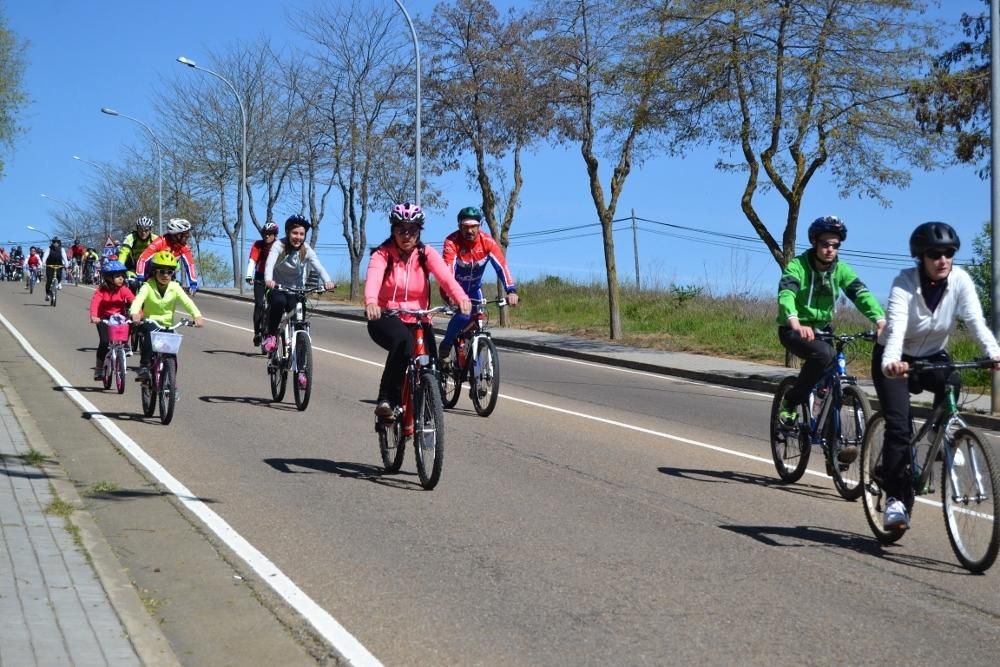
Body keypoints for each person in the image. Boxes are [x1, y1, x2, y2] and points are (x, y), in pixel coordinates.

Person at [873, 222, 1000, 532]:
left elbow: (975, 321)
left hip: (932, 354)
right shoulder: (904, 283)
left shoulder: (960, 280)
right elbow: (897, 326)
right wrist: (891, 361)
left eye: (948, 253)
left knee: (953, 381)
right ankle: (895, 501)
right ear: (921, 257)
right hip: (896, 358)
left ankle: (938, 435)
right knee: (899, 428)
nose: (943, 260)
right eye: (935, 254)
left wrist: (994, 352)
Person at [776, 215, 886, 463]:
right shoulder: (798, 266)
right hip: (793, 328)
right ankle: (791, 403)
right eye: (825, 244)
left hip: (823, 329)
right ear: (814, 242)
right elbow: (786, 294)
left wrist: (880, 320)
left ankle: (833, 446)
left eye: (835, 245)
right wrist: (795, 321)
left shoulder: (841, 270)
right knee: (823, 355)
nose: (830, 250)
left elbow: (861, 294)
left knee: (833, 374)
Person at [364, 203, 471, 417]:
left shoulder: (426, 253)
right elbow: (374, 279)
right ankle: (387, 399)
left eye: (412, 230)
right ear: (393, 230)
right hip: (386, 316)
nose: (406, 235)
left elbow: (446, 278)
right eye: (401, 229)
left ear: (419, 231)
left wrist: (461, 298)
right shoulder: (382, 255)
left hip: (419, 318)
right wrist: (371, 302)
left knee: (432, 365)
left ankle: (428, 415)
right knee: (403, 342)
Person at [438, 206, 519, 369]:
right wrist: (453, 294)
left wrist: (511, 290)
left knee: (479, 318)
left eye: (473, 226)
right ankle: (446, 346)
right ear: (459, 226)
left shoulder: (487, 242)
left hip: (474, 289)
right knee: (464, 315)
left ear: (479, 226)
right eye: (466, 226)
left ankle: (472, 357)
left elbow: (501, 266)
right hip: (453, 289)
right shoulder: (451, 242)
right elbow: (448, 271)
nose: (470, 230)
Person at [262, 216, 335, 382]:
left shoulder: (306, 250)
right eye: (295, 233)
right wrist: (268, 279)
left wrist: (327, 281)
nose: (298, 237)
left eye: (302, 234)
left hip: (297, 290)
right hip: (277, 287)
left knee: (300, 325)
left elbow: (318, 265)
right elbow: (269, 264)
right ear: (288, 232)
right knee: (279, 302)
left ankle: (301, 370)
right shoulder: (278, 245)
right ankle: (271, 336)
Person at [129, 250, 204, 382]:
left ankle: (170, 383)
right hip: (150, 322)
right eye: (162, 271)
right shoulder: (147, 286)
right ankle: (144, 367)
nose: (165, 275)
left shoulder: (175, 287)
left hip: (167, 325)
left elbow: (187, 302)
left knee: (171, 354)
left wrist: (196, 315)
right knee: (149, 334)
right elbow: (138, 300)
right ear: (154, 272)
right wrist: (134, 313)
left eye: (169, 272)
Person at [89, 260, 135, 380]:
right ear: (109, 278)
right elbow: (95, 303)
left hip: (119, 318)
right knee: (104, 342)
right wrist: (94, 316)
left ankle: (125, 344)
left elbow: (134, 301)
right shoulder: (101, 291)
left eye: (122, 276)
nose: (121, 278)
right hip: (103, 319)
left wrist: (138, 313)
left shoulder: (124, 289)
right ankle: (99, 369)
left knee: (131, 323)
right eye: (117, 276)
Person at [135, 218, 199, 293]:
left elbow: (190, 265)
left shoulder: (184, 247)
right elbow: (142, 259)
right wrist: (140, 278)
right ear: (177, 234)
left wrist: (193, 284)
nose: (188, 236)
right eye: (186, 233)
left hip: (169, 274)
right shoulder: (160, 241)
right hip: (150, 274)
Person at [245, 222, 280, 346]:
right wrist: (249, 275)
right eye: (265, 234)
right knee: (259, 304)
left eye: (270, 234)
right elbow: (252, 260)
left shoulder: (280, 245)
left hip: (275, 278)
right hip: (260, 277)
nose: (267, 236)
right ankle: (257, 333)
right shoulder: (258, 244)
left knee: (275, 304)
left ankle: (272, 332)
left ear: (275, 235)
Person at [118, 216, 159, 291]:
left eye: (146, 230)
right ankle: (131, 301)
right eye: (140, 230)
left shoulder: (155, 239)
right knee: (132, 283)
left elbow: (165, 253)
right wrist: (119, 268)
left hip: (149, 268)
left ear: (150, 230)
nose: (143, 233)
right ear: (137, 229)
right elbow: (124, 252)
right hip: (133, 267)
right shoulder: (130, 238)